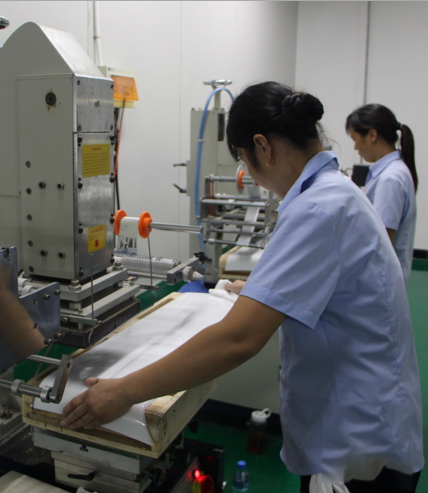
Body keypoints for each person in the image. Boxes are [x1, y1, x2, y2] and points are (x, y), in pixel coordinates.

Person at [60, 82, 423, 492]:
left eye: (246, 162)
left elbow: (239, 340)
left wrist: (124, 391)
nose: (251, 176)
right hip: (370, 422)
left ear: (263, 147)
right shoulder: (335, 191)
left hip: (359, 447)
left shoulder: (317, 209)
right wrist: (258, 290)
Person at [346, 104, 418, 284]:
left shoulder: (390, 178)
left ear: (372, 135)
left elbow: (380, 242)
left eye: (355, 139)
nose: (355, 147)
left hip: (380, 283)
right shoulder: (391, 172)